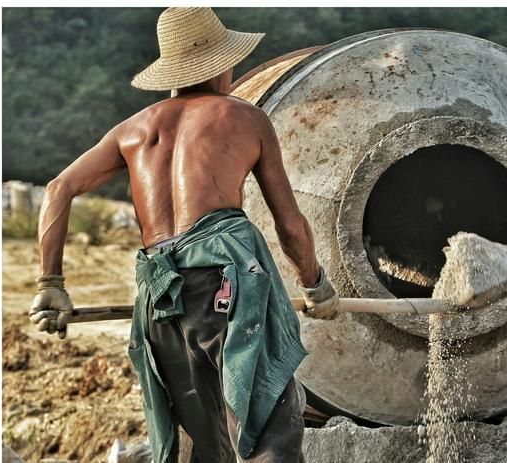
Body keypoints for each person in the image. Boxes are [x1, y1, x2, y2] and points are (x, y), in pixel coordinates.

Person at [29, 7, 340, 463]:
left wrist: (50, 285)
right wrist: (316, 284)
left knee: (202, 447)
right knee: (269, 432)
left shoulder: (131, 130)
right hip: (226, 286)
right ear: (220, 63)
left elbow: (59, 189)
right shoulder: (245, 118)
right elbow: (289, 225)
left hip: (160, 297)